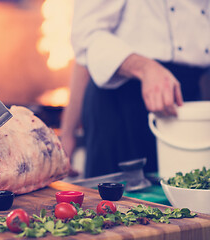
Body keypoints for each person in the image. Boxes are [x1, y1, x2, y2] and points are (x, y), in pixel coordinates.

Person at [61, 0, 210, 178]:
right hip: (120, 103)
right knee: (117, 202)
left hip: (188, 101)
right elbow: (86, 37)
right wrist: (68, 133)